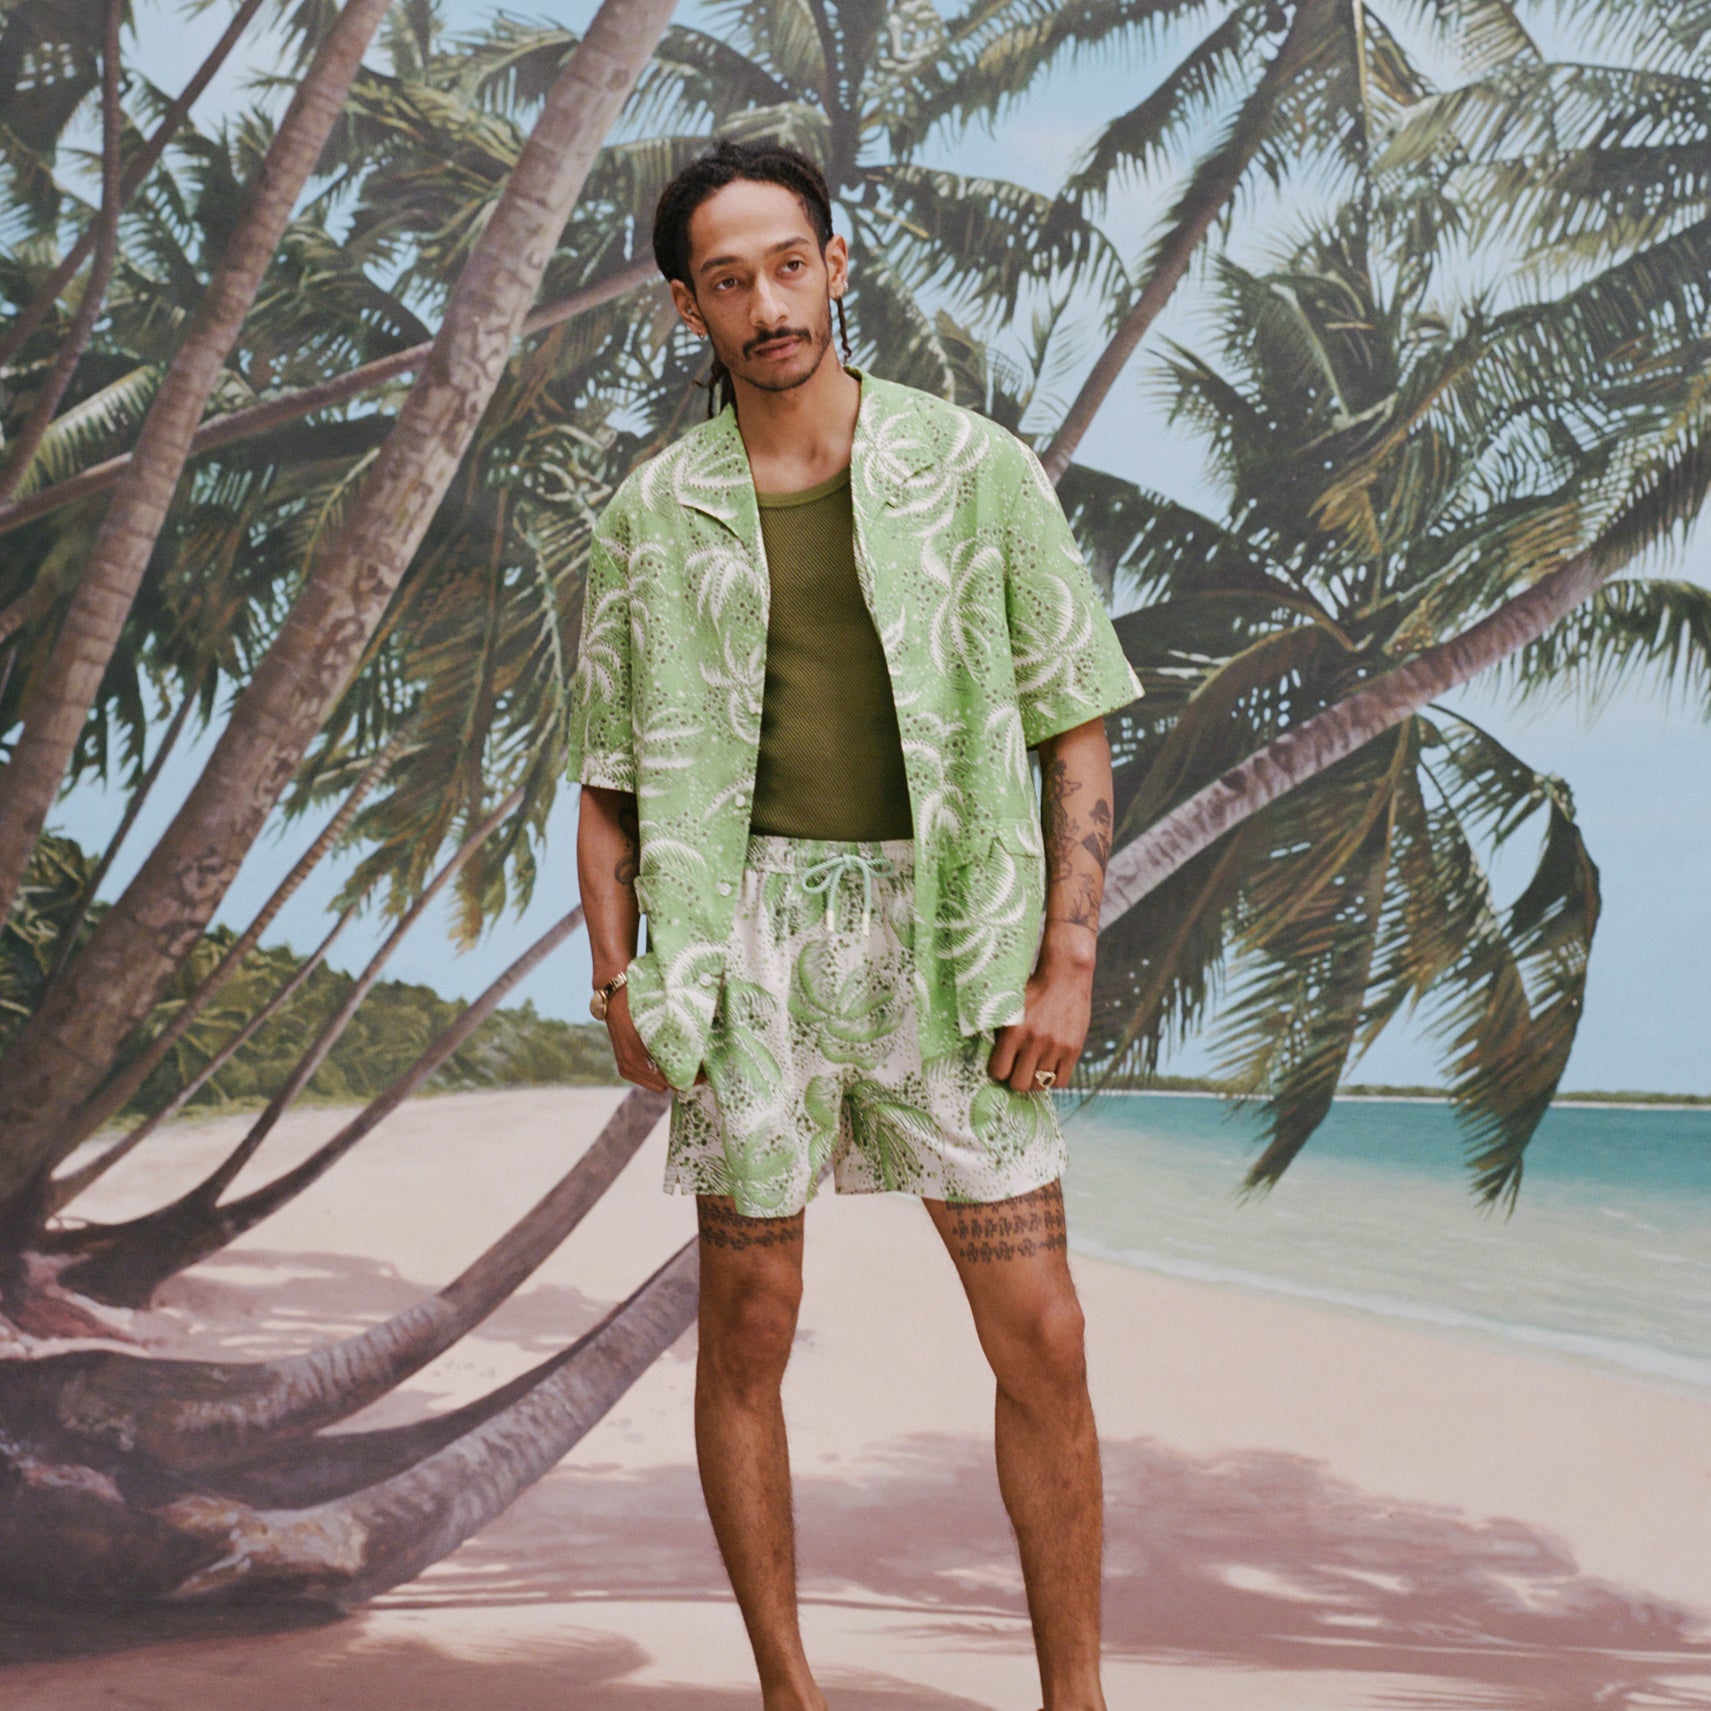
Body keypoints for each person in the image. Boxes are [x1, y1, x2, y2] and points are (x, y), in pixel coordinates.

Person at [566, 137, 1143, 1711]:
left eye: (790, 263)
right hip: (740, 945)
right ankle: (787, 1695)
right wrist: (621, 981)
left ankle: (1075, 1701)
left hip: (953, 934)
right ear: (688, 308)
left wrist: (1067, 960)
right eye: (729, 279)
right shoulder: (648, 517)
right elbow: (608, 783)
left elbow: (1074, 726)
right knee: (750, 1320)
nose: (769, 303)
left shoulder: (977, 472)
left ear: (839, 262)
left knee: (1048, 1335)